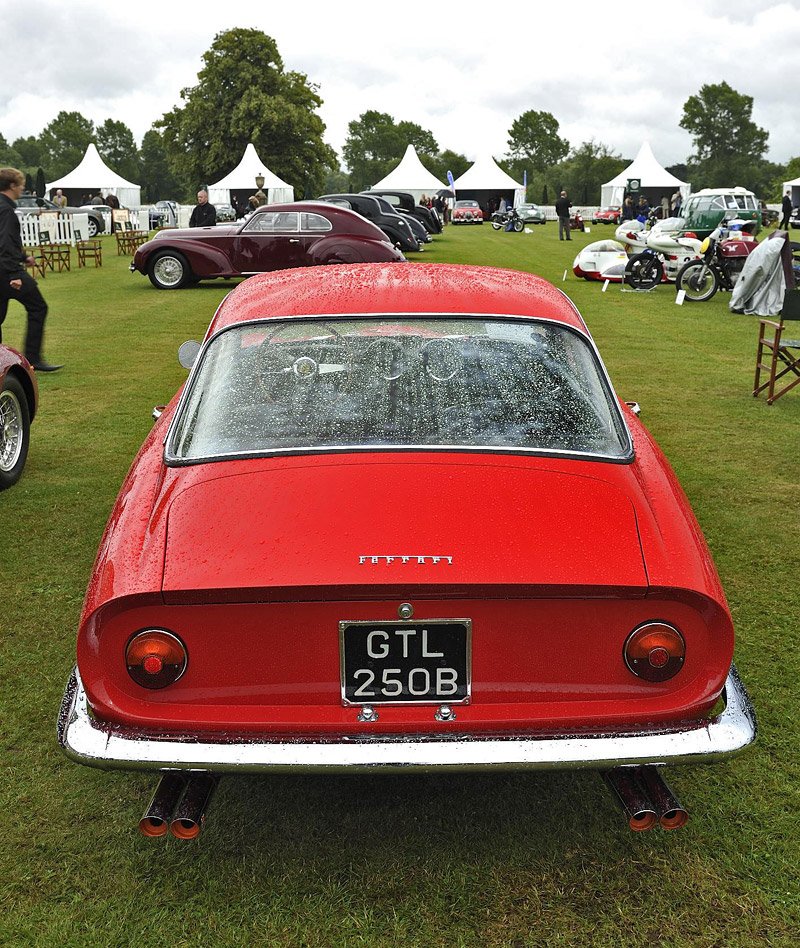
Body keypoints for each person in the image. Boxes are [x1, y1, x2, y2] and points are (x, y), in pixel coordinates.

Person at [0, 167, 63, 371]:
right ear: (12, 186)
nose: (22, 190)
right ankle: (33, 357)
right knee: (38, 307)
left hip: (4, 268)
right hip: (7, 272)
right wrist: (13, 274)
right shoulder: (7, 210)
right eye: (21, 186)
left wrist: (23, 256)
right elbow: (6, 244)